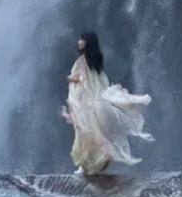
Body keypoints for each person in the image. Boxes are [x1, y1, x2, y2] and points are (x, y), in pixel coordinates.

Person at [61, 31, 153, 176]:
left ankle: (84, 167)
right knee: (94, 134)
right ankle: (91, 166)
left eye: (81, 39)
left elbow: (80, 79)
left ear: (87, 42)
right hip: (97, 100)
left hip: (88, 103)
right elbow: (100, 81)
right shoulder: (96, 61)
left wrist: (69, 78)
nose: (78, 41)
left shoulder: (81, 61)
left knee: (85, 133)